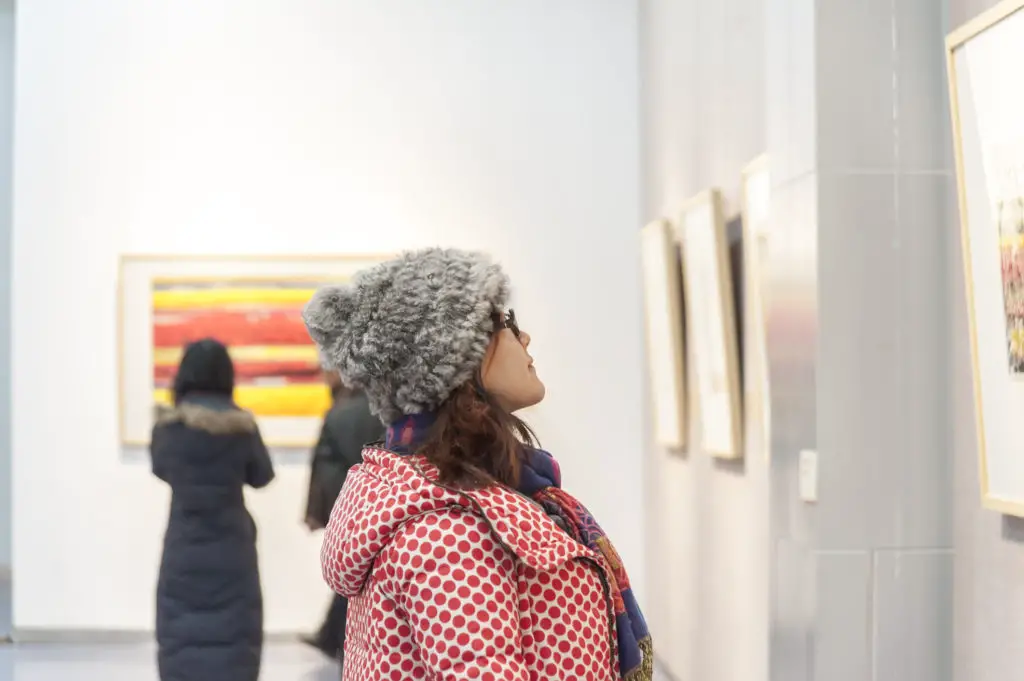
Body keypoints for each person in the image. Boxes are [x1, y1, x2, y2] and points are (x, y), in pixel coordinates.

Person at [302, 248, 653, 680]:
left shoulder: (461, 499)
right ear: (453, 357)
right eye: (505, 322)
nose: (525, 339)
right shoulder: (446, 532)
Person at [151, 338, 275, 681]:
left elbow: (160, 468)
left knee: (180, 631)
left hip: (183, 548)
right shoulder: (242, 427)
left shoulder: (168, 428)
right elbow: (262, 476)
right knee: (236, 632)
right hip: (233, 551)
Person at [301, 368, 384, 662]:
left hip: (345, 503)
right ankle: (335, 637)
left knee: (349, 574)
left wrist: (314, 512)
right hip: (378, 505)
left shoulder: (339, 413)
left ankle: (332, 637)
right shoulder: (383, 412)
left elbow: (321, 465)